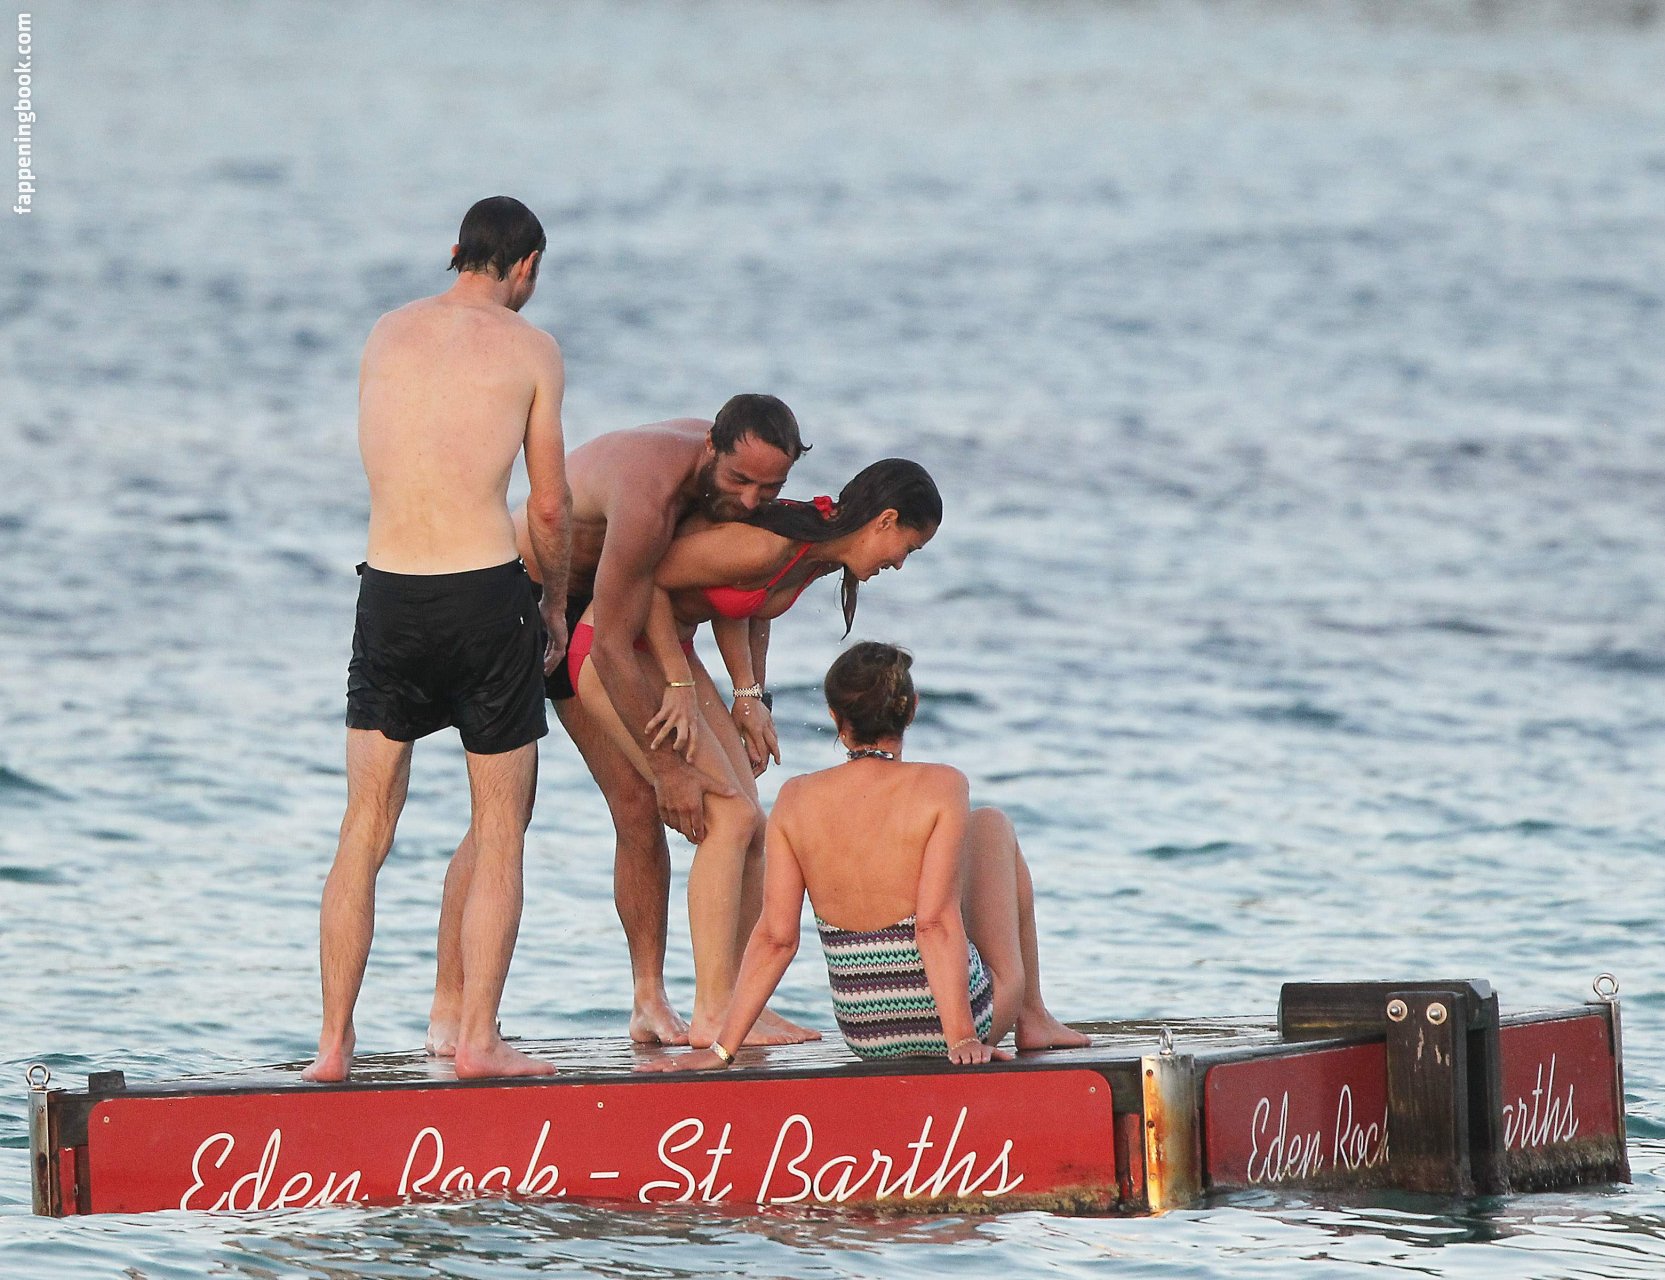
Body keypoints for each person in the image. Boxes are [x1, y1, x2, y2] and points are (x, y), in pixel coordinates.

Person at [424, 397, 809, 1054]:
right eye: (740, 481)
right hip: (516, 596)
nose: (750, 500)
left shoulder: (736, 485)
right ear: (711, 448)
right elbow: (609, 639)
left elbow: (737, 589)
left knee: (635, 806)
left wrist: (749, 695)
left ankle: (648, 999)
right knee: (503, 812)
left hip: (596, 607)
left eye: (768, 489)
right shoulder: (648, 488)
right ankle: (449, 1007)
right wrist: (670, 768)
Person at [303, 196, 570, 1083]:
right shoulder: (532, 348)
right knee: (499, 828)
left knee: (364, 827)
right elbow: (549, 506)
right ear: (526, 266)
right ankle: (477, 1041)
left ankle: (333, 1046)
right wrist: (555, 605)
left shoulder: (386, 331)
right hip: (485, 595)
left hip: (388, 593)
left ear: (456, 251)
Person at [575, 462, 942, 1047]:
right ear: (886, 520)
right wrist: (678, 683)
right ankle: (712, 1011)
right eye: (908, 548)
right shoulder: (768, 544)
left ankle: (744, 1005)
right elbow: (652, 581)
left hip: (668, 653)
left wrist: (750, 697)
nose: (900, 563)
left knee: (754, 826)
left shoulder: (817, 554)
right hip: (614, 652)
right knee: (729, 818)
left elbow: (742, 606)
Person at [642, 642, 1092, 1072]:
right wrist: (961, 1039)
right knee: (990, 825)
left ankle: (1027, 1017)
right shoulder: (943, 785)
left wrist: (721, 1049)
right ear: (911, 709)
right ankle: (1033, 1015)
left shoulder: (795, 798)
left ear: (835, 716)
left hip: (866, 1032)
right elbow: (933, 924)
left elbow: (776, 938)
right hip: (959, 1020)